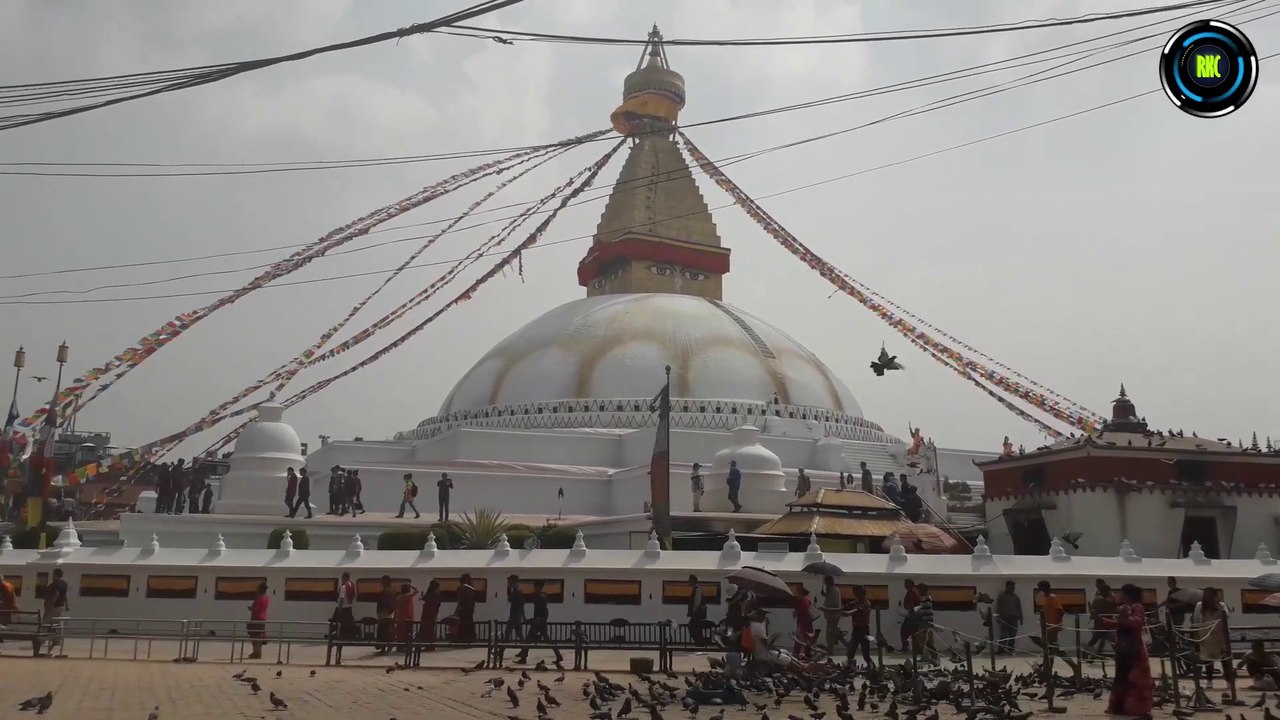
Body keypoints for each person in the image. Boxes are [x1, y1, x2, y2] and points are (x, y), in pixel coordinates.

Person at [1107, 583, 1155, 719]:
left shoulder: (1137, 607)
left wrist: (1124, 615)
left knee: (1134, 679)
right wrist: (1103, 620)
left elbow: (1137, 622)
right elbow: (1119, 623)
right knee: (1122, 678)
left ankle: (1135, 708)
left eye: (1122, 593)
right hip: (1123, 649)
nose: (1120, 596)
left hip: (1134, 650)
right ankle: (1120, 707)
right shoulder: (1125, 608)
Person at [1192, 587, 1235, 690]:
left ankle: (1229, 681)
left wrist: (1219, 607)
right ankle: (1209, 681)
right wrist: (1197, 636)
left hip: (1220, 636)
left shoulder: (1221, 605)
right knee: (1208, 660)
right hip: (1206, 636)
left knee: (1224, 659)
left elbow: (1226, 616)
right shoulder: (1199, 606)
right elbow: (1196, 621)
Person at [1036, 580, 1080, 677]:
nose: (1040, 590)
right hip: (1048, 627)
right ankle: (1048, 670)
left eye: (1041, 588)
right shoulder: (1047, 598)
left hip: (1052, 627)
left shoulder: (1052, 597)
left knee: (1055, 649)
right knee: (1050, 650)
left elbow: (1060, 611)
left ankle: (1074, 666)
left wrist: (1056, 624)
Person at [515, 579, 563, 665]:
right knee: (536, 639)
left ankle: (524, 657)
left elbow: (544, 611)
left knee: (530, 639)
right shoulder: (540, 597)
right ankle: (524, 656)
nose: (535, 589)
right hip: (538, 621)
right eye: (534, 587)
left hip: (539, 621)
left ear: (539, 587)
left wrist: (532, 620)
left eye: (536, 587)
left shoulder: (541, 598)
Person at [844, 585, 874, 670]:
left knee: (865, 655)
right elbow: (845, 607)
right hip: (856, 629)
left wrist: (844, 613)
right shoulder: (855, 602)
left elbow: (852, 612)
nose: (855, 595)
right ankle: (849, 667)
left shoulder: (866, 603)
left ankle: (872, 668)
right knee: (850, 652)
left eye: (856, 593)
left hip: (864, 630)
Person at [43, 567, 69, 656]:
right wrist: (67, 605)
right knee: (58, 624)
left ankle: (42, 640)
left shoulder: (55, 584)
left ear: (55, 575)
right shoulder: (64, 584)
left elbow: (56, 595)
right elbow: (64, 595)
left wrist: (49, 607)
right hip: (61, 606)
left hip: (54, 607)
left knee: (45, 623)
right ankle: (57, 641)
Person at [1086, 579, 1116, 655]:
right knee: (1107, 639)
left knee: (1102, 639)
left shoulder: (1108, 597)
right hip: (1102, 623)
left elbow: (1112, 607)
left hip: (1106, 622)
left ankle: (1092, 654)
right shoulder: (1100, 598)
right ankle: (1089, 653)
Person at [910, 583, 938, 664]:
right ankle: (932, 656)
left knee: (922, 640)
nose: (918, 591)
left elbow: (924, 610)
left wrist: (915, 611)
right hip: (926, 622)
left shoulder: (926, 599)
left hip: (926, 622)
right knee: (927, 641)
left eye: (919, 590)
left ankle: (928, 657)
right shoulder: (925, 598)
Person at [994, 580, 1023, 655]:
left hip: (1014, 618)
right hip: (1004, 618)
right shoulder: (1001, 596)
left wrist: (1021, 618)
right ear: (1007, 587)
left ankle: (1010, 650)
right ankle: (1001, 650)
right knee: (1003, 635)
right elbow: (998, 607)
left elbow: (1019, 607)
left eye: (1014, 587)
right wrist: (998, 618)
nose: (1013, 588)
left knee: (1012, 635)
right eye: (1011, 587)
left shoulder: (1015, 597)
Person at [331, 572, 359, 640]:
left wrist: (339, 609)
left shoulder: (343, 587)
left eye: (342, 578)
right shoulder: (351, 585)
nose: (341, 580)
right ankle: (350, 635)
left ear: (344, 578)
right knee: (348, 623)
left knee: (336, 622)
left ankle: (337, 635)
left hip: (343, 608)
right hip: (349, 608)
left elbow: (341, 598)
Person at [820, 575, 844, 655]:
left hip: (833, 616)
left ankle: (830, 650)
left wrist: (825, 609)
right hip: (831, 616)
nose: (825, 583)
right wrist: (825, 595)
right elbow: (831, 599)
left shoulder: (833, 590)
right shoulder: (832, 590)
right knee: (831, 633)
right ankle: (830, 648)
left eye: (825, 581)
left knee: (830, 634)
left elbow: (835, 604)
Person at [792, 586, 817, 658]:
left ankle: (801, 652)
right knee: (805, 637)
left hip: (802, 622)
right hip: (807, 622)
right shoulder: (807, 600)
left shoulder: (800, 601)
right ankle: (805, 652)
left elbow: (796, 611)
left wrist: (795, 614)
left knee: (801, 637)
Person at [417, 580, 442, 649]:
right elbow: (438, 604)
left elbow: (425, 598)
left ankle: (426, 644)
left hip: (426, 613)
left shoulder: (430, 592)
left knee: (425, 629)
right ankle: (430, 645)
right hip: (432, 613)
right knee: (430, 630)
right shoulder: (437, 593)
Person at [248, 582, 269, 660]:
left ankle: (256, 652)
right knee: (259, 636)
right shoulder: (266, 598)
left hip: (256, 618)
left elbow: (257, 609)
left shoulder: (258, 598)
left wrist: (251, 608)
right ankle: (257, 652)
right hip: (262, 618)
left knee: (254, 636)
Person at [454, 574, 478, 642]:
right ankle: (469, 639)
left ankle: (461, 639)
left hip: (462, 612)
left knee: (462, 626)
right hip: (470, 611)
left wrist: (456, 613)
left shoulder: (461, 588)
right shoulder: (472, 589)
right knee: (469, 625)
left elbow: (460, 602)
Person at [375, 576, 396, 653]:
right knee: (386, 631)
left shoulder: (386, 592)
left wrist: (381, 611)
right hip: (387, 614)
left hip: (385, 614)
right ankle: (386, 646)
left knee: (383, 631)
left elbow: (385, 603)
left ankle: (384, 646)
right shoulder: (391, 592)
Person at [395, 583, 419, 648]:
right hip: (408, 617)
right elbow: (417, 590)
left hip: (400, 618)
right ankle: (407, 646)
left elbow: (396, 608)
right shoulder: (409, 596)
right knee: (408, 633)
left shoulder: (398, 598)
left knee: (400, 633)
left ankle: (400, 646)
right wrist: (411, 585)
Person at [687, 575, 709, 645]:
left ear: (693, 581)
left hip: (697, 614)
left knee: (692, 627)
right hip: (698, 613)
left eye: (690, 580)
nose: (688, 582)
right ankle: (701, 642)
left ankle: (701, 642)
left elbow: (697, 602)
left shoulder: (697, 589)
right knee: (696, 628)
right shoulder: (697, 589)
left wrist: (693, 613)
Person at [505, 575, 526, 641]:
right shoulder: (515, 590)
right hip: (516, 615)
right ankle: (524, 645)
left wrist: (523, 616)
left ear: (514, 581)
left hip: (515, 615)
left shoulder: (517, 591)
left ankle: (504, 645)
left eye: (510, 581)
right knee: (518, 632)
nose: (509, 582)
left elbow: (520, 604)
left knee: (508, 631)